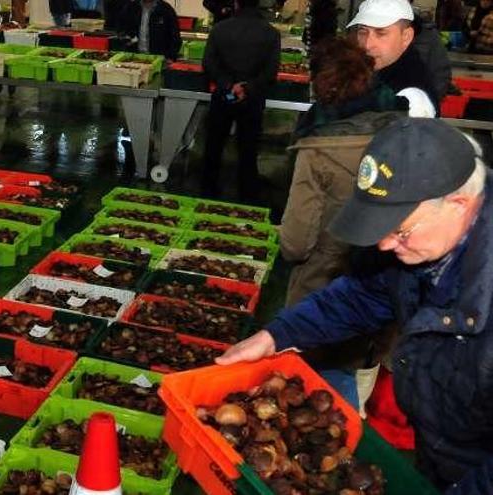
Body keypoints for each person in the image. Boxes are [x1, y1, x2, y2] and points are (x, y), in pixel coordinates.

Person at [217, 117, 493, 493]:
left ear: (459, 204)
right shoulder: (422, 249)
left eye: (399, 230)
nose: (384, 245)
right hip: (441, 450)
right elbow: (364, 295)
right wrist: (277, 334)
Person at [283, 37, 406, 306]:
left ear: (322, 84)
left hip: (324, 283)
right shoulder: (403, 131)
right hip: (387, 284)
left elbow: (296, 243)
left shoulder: (317, 148)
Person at [200, 0, 280, 203]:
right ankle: (247, 198)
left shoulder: (220, 29)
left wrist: (228, 85)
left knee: (214, 146)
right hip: (252, 99)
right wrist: (248, 88)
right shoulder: (271, 33)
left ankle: (208, 194)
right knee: (248, 149)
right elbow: (270, 72)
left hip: (223, 96)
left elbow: (208, 63)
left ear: (236, 3)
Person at [347, 0, 442, 108]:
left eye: (381, 33)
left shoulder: (411, 97)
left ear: (406, 37)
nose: (368, 44)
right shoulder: (355, 68)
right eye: (363, 32)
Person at [117, 0, 182, 60]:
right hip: (133, 58)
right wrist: (126, 40)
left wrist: (170, 57)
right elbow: (121, 29)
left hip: (159, 59)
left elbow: (175, 37)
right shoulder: (130, 8)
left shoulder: (166, 9)